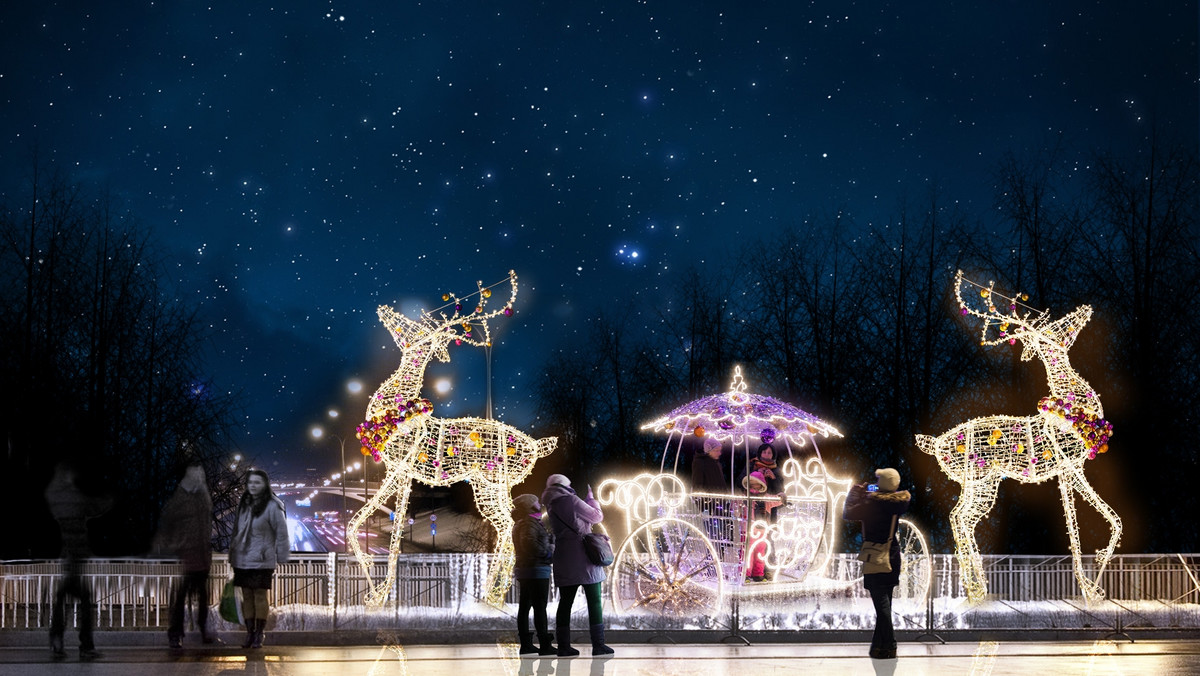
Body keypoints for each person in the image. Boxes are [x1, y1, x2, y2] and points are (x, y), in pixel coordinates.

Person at [842, 467, 911, 660]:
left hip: (875, 556)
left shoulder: (871, 504)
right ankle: (879, 647)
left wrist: (856, 493)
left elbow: (847, 513)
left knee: (881, 605)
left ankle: (890, 644)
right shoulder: (897, 504)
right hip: (892, 555)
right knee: (885, 603)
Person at [45, 461, 112, 660]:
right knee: (83, 600)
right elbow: (93, 507)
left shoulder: (54, 496)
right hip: (73, 556)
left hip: (67, 556)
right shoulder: (71, 496)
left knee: (62, 599)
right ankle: (85, 646)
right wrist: (109, 497)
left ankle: (58, 639)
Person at [541, 474, 613, 657]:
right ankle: (598, 645)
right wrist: (591, 500)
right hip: (584, 557)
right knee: (594, 602)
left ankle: (564, 646)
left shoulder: (551, 504)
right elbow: (597, 517)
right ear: (565, 485)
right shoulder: (571, 500)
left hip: (564, 557)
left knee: (565, 603)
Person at [156, 461, 219, 649]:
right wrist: (174, 544)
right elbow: (166, 522)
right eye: (195, 474)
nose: (199, 478)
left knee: (201, 596)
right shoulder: (181, 497)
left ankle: (201, 629)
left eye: (201, 474)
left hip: (201, 555)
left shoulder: (203, 497)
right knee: (180, 597)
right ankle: (176, 634)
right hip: (184, 557)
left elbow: (206, 525)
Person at [228, 469, 290, 649]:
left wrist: (282, 555)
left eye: (257, 482)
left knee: (259, 596)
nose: (253, 486)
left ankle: (259, 634)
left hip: (262, 559)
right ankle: (249, 633)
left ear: (265, 485)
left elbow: (281, 532)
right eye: (250, 482)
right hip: (243, 557)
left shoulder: (272, 505)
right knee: (246, 596)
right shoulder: (243, 504)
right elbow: (236, 531)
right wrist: (233, 554)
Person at [511, 493, 556, 656]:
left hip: (529, 569)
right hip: (535, 570)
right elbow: (529, 544)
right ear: (531, 506)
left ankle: (527, 643)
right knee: (538, 607)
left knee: (526, 607)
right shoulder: (528, 524)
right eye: (536, 502)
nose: (539, 504)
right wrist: (548, 552)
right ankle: (543, 643)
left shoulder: (526, 522)